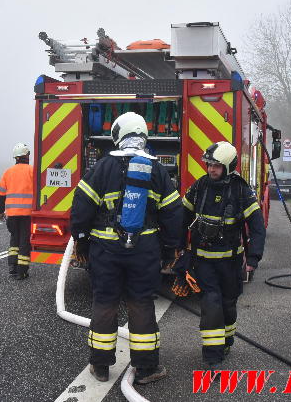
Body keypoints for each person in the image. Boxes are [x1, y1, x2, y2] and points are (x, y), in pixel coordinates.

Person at [70, 112, 183, 385]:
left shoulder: (101, 168)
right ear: (143, 136)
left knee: (105, 303)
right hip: (144, 251)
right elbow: (173, 213)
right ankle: (146, 368)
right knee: (141, 304)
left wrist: (81, 242)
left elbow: (81, 208)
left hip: (105, 251)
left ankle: (100, 365)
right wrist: (170, 250)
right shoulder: (155, 169)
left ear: (118, 136)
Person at [181, 141, 266, 369]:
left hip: (230, 262)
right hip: (204, 261)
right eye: (209, 165)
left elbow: (257, 226)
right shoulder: (200, 187)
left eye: (217, 166)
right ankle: (212, 356)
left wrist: (254, 258)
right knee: (211, 303)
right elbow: (182, 218)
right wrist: (178, 250)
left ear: (228, 167)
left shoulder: (241, 190)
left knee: (229, 304)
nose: (211, 170)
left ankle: (226, 341)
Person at [0, 143, 34, 280]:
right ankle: (22, 271)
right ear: (26, 156)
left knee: (14, 240)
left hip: (11, 215)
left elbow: (0, 195)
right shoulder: (32, 171)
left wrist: (0, 212)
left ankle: (12, 268)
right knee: (24, 241)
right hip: (27, 215)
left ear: (16, 157)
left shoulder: (8, 172)